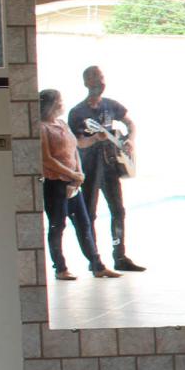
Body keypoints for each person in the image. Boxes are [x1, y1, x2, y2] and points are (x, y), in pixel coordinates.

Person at [68, 65, 143, 272]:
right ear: (86, 83)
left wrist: (130, 139)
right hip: (90, 167)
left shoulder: (110, 105)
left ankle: (120, 256)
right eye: (94, 78)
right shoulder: (77, 112)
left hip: (110, 166)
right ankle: (95, 260)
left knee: (118, 210)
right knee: (89, 214)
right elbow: (77, 142)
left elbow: (130, 123)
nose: (99, 82)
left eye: (101, 78)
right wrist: (94, 139)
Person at [38, 88, 118, 280]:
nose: (62, 103)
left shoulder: (62, 124)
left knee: (84, 224)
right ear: (52, 104)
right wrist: (71, 173)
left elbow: (75, 148)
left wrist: (78, 174)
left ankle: (97, 266)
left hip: (73, 183)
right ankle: (60, 268)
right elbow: (46, 159)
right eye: (59, 100)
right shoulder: (42, 128)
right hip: (55, 184)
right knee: (58, 226)